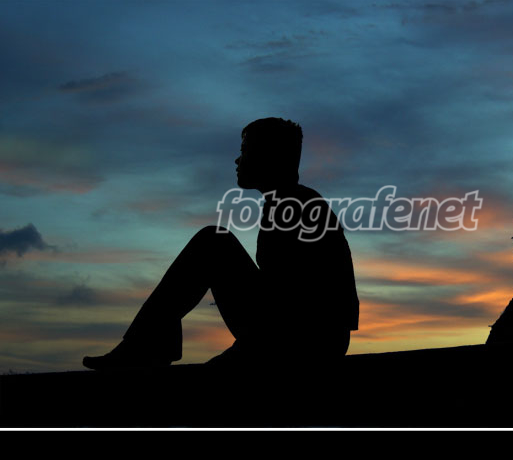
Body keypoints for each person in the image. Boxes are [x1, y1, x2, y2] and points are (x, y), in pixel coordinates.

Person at [83, 118, 360, 370]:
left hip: (307, 344)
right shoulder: (287, 203)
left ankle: (146, 345)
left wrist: (248, 349)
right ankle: (148, 344)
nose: (238, 160)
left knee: (212, 242)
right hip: (301, 338)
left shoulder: (299, 207)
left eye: (246, 150)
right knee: (213, 242)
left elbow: (298, 300)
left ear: (268, 156)